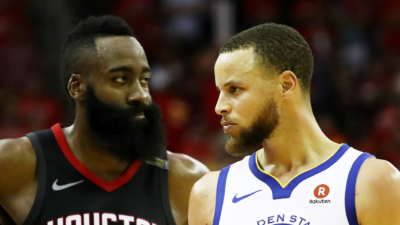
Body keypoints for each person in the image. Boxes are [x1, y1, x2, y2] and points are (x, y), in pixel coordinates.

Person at [0, 15, 209, 225]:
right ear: (77, 87)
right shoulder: (15, 165)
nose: (141, 95)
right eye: (121, 79)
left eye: (144, 80)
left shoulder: (188, 181)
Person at [188, 23, 400, 225]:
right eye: (219, 92)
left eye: (234, 89)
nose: (219, 107)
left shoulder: (372, 182)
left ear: (286, 85)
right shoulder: (210, 193)